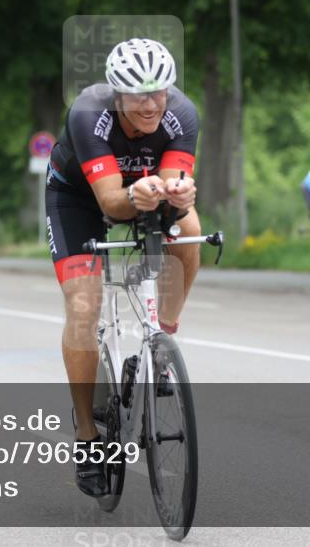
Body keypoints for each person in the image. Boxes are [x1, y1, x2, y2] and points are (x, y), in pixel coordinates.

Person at [45, 38, 200, 497]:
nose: (152, 105)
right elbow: (112, 201)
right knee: (83, 304)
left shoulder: (182, 114)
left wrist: (179, 196)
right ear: (117, 95)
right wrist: (138, 195)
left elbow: (174, 186)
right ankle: (88, 436)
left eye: (160, 93)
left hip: (143, 187)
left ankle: (164, 339)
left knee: (190, 228)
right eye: (138, 96)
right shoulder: (88, 114)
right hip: (79, 198)